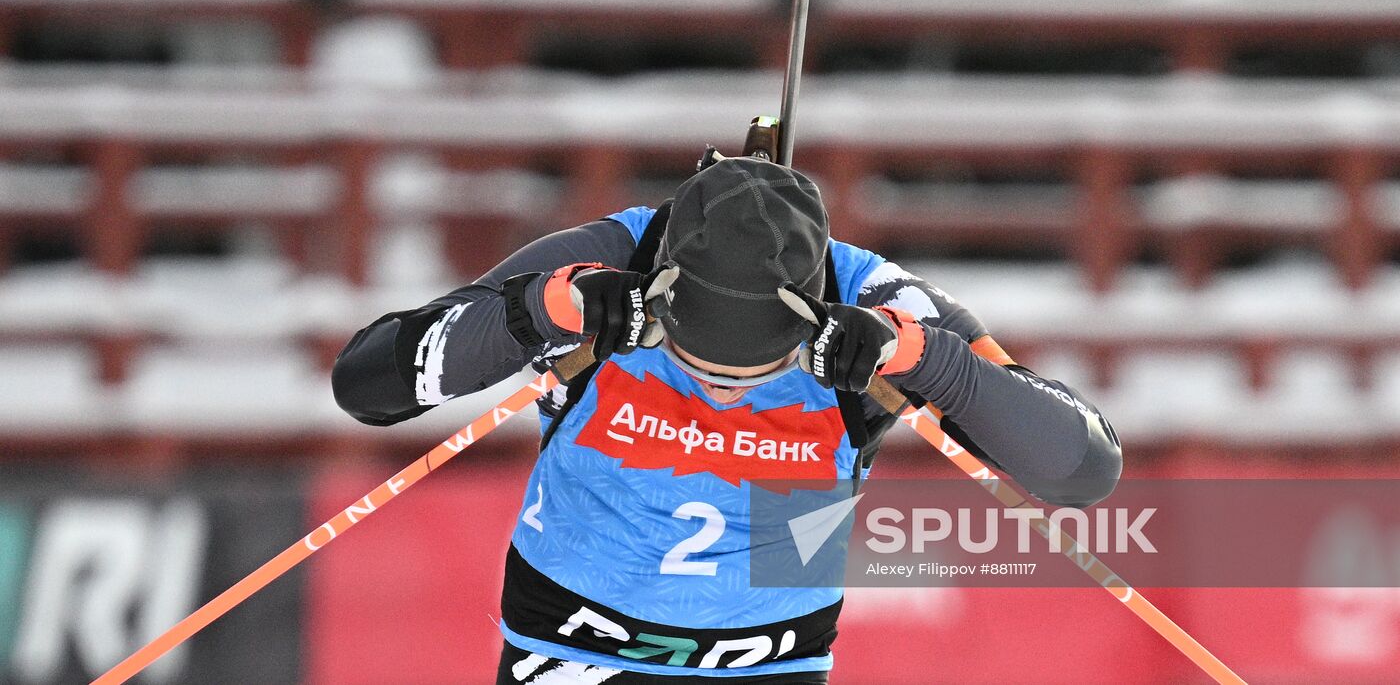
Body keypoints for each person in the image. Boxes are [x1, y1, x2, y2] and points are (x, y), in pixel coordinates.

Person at [332, 157, 1122, 683]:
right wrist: (539, 308)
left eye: (753, 374)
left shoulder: (883, 302)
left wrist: (927, 360)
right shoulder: (615, 255)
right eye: (699, 367)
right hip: (569, 649)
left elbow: (1083, 470)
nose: (722, 394)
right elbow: (368, 382)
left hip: (766, 663)